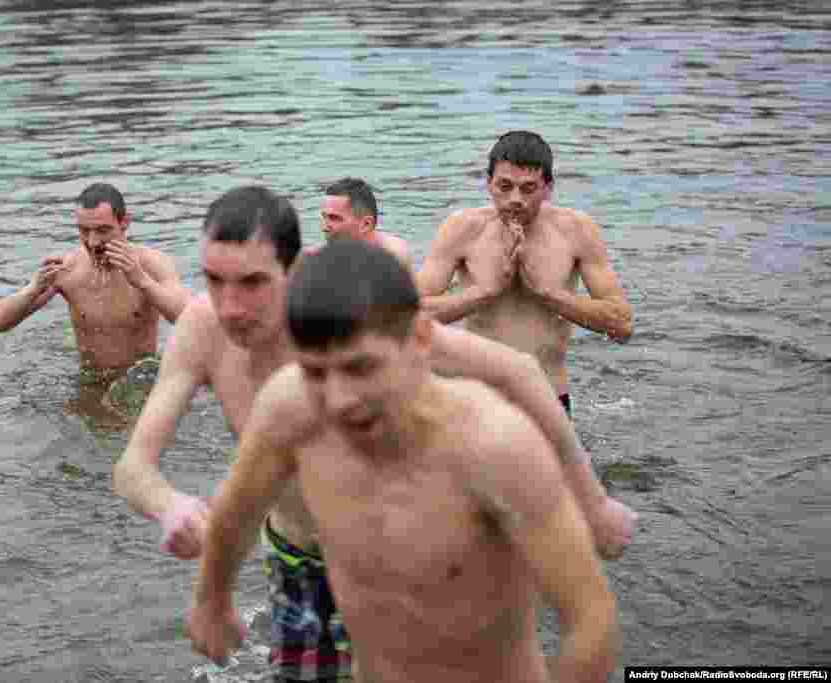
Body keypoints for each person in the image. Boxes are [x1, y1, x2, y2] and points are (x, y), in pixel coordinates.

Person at [113, 185, 634, 682]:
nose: (230, 307)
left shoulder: (365, 324)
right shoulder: (269, 385)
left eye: (252, 283)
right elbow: (229, 504)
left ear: (295, 270)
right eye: (213, 281)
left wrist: (592, 502)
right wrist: (199, 572)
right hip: (302, 551)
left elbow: (517, 371)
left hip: (408, 538)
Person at [416, 131, 633, 414]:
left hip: (548, 397)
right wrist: (484, 293)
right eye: (504, 186)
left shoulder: (575, 230)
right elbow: (406, 318)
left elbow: (622, 325)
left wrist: (548, 293)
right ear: (488, 183)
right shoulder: (463, 229)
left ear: (548, 188)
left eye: (528, 188)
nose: (515, 199)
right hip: (478, 397)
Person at [0, 183, 189, 372]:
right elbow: (0, 323)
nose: (93, 242)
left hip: (139, 381)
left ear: (124, 222)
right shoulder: (68, 268)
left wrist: (142, 281)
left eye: (103, 230)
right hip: (91, 379)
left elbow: (188, 318)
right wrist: (32, 290)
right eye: (84, 231)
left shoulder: (153, 264)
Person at [318, 177, 410, 266]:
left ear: (366, 224)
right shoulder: (321, 256)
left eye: (334, 218)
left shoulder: (394, 255)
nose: (324, 227)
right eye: (324, 217)